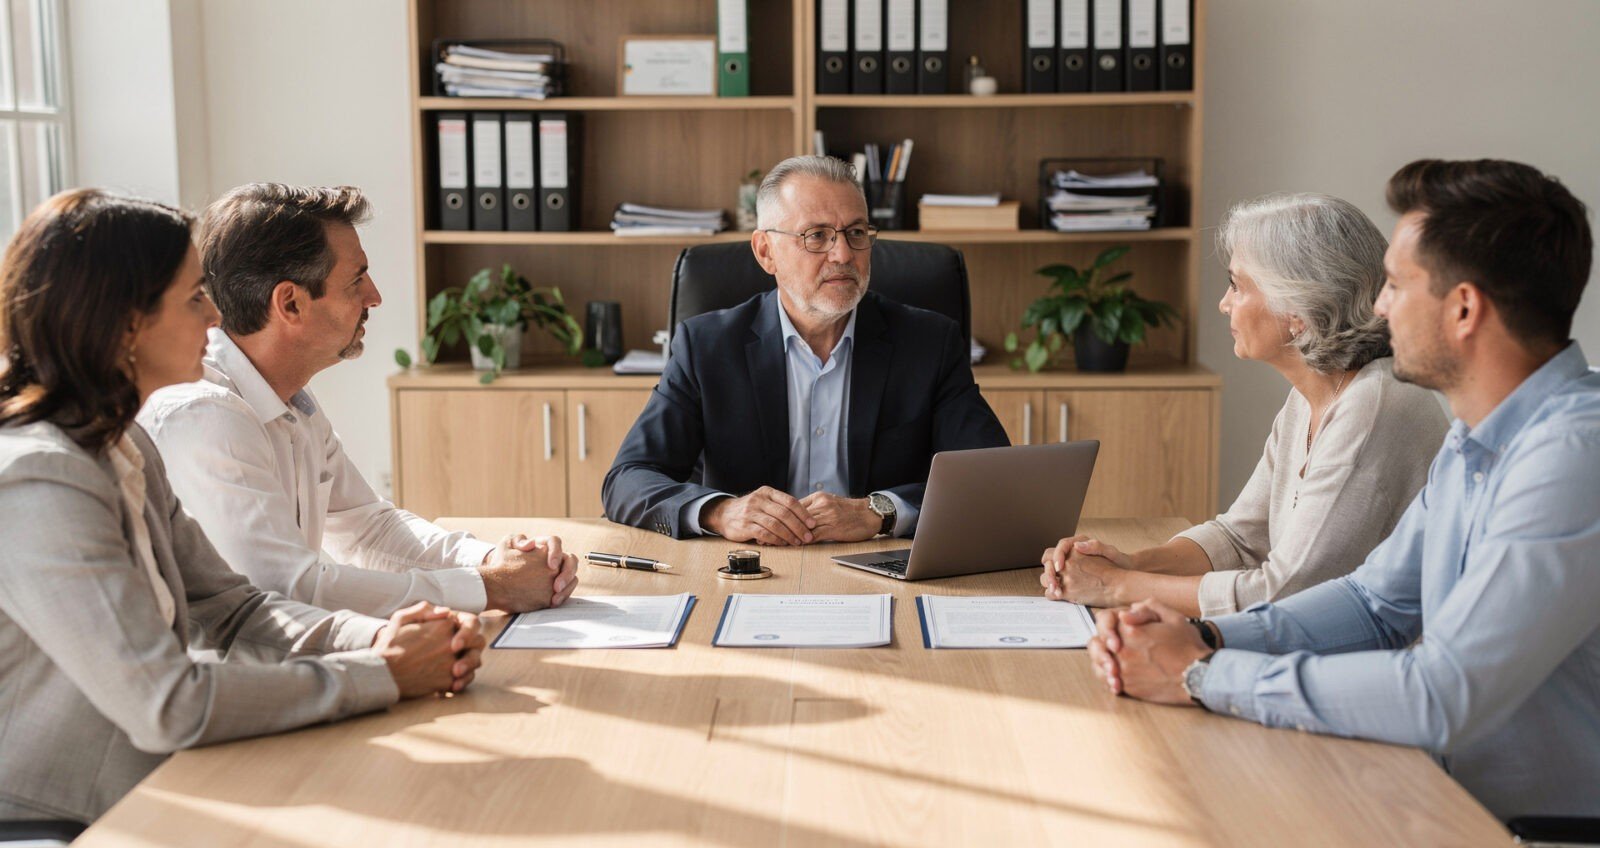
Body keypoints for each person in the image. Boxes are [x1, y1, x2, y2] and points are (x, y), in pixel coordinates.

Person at [1086, 159, 1600, 848]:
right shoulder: (1476, 437)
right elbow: (1375, 603)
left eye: (1395, 284)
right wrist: (1202, 636)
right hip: (1446, 806)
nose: (1379, 308)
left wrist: (1203, 674)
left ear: (1463, 309)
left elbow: (1442, 693)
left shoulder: (1573, 456)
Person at [0, 189, 485, 848]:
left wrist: (381, 639)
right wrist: (383, 674)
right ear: (126, 324)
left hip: (165, 784)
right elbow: (166, 702)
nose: (219, 315)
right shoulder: (41, 478)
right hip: (77, 827)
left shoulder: (123, 443)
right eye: (195, 297)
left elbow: (235, 609)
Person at [139, 184, 577, 619]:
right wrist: (490, 587)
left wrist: (494, 561)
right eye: (356, 280)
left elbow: (369, 530)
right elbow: (288, 590)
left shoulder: (290, 398)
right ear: (290, 303)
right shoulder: (207, 415)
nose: (375, 296)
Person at [1041, 194, 1448, 617]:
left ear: (1298, 309)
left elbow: (1284, 595)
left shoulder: (1372, 408)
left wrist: (1116, 585)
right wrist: (1130, 562)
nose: (1224, 303)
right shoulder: (1314, 393)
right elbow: (1241, 538)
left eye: (1237, 285)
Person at [602, 155, 1008, 544]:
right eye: (817, 236)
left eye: (856, 232)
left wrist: (879, 511)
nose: (844, 255)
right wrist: (721, 512)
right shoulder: (706, 346)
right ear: (766, 252)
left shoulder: (928, 343)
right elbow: (628, 479)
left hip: (881, 564)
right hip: (750, 569)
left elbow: (991, 480)